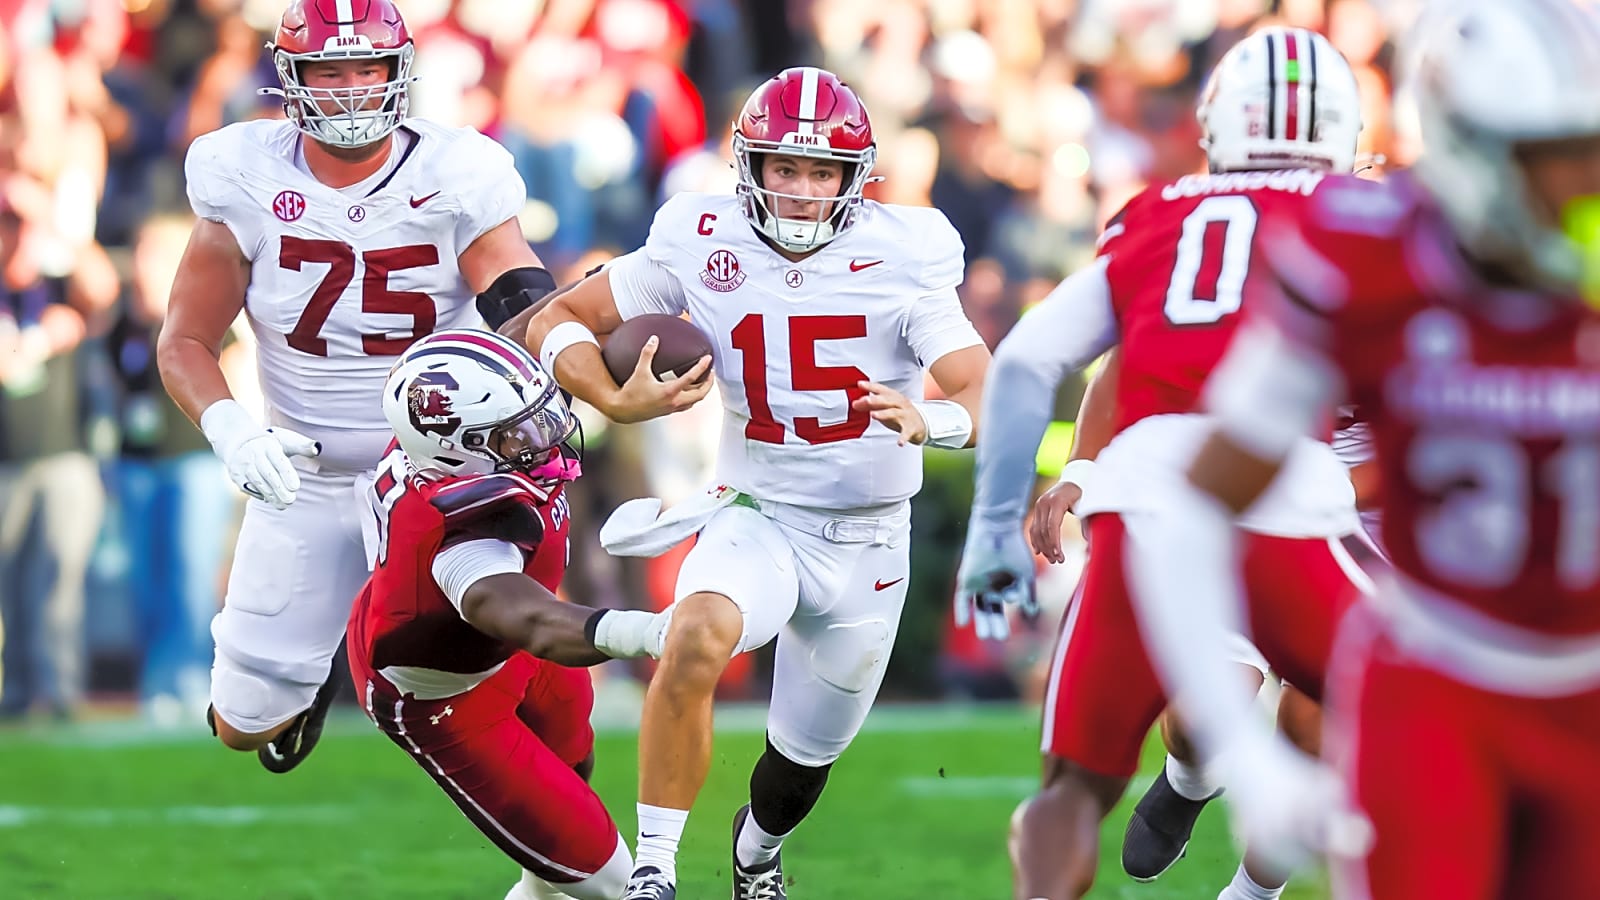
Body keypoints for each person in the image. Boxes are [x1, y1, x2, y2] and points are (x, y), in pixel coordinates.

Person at [1123, 1, 1600, 896]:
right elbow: (1198, 504)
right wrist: (1249, 763)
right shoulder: (1368, 259)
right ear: (1474, 148)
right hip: (1435, 683)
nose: (1585, 182)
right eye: (1557, 155)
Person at [527, 66, 991, 900]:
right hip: (757, 510)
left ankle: (757, 848)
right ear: (750, 165)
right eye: (785, 168)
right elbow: (558, 317)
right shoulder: (700, 234)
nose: (802, 190)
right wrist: (609, 395)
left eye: (822, 172)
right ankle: (654, 870)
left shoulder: (906, 251)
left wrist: (934, 419)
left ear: (855, 177)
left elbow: (982, 388)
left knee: (799, 768)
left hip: (867, 537)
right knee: (693, 634)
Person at [955, 28, 1374, 899]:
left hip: (1148, 500)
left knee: (1070, 793)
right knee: (1446, 722)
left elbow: (1027, 358)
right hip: (1292, 496)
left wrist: (993, 530)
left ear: (1217, 125)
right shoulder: (1367, 218)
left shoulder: (1159, 212)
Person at [157, 0, 560, 772]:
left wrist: (577, 351)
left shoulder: (456, 171)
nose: (349, 90)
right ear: (291, 78)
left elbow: (523, 300)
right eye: (329, 72)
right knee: (243, 724)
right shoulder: (242, 171)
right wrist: (232, 430)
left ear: (398, 71)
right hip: (303, 475)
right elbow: (184, 340)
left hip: (435, 473)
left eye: (366, 68)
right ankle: (314, 682)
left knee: (475, 681)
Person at [349, 329, 670, 900]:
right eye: (517, 432)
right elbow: (533, 622)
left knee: (573, 761)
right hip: (447, 696)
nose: (545, 436)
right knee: (622, 887)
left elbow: (534, 324)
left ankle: (537, 893)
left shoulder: (439, 445)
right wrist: (653, 631)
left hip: (501, 645)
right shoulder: (464, 537)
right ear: (462, 450)